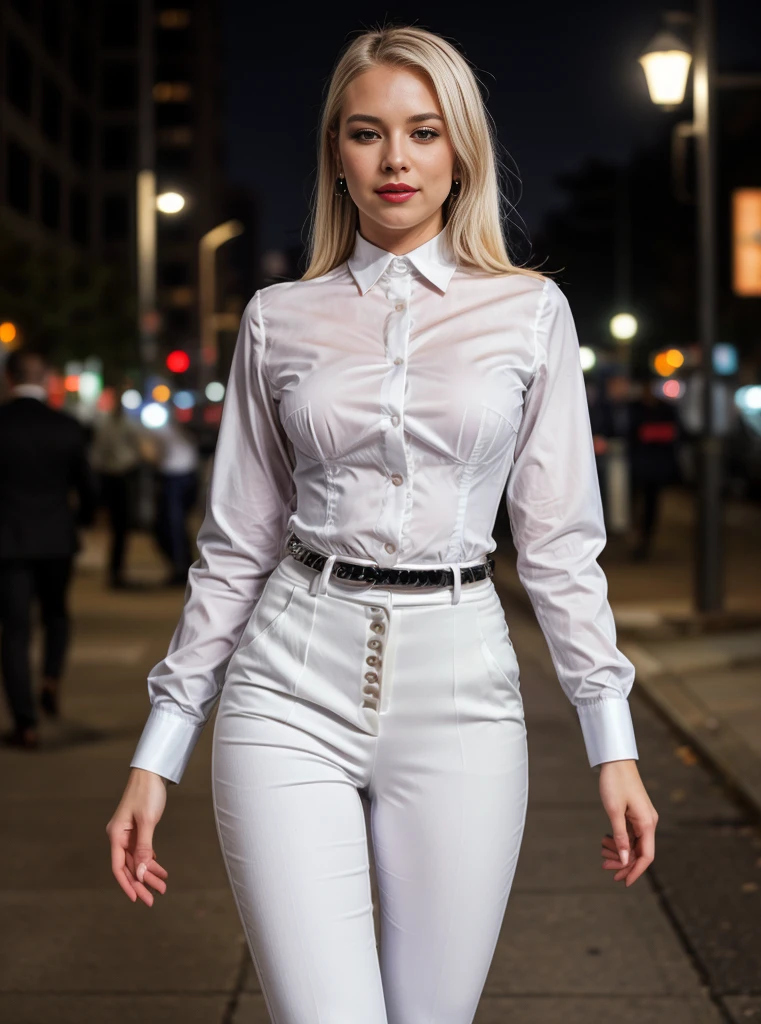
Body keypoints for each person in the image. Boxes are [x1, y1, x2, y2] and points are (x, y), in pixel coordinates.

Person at [107, 24, 659, 1024]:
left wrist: (609, 736)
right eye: (367, 133)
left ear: (462, 154)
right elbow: (235, 542)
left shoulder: (530, 313)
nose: (396, 159)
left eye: (423, 132)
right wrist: (160, 747)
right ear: (337, 155)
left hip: (462, 687)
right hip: (288, 682)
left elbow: (561, 544)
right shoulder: (278, 316)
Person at [0, 348, 97, 747]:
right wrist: (82, 521)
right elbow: (89, 489)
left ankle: (26, 722)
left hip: (7, 542)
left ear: (9, 378)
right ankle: (51, 679)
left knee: (15, 630)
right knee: (57, 615)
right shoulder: (67, 426)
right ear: (44, 379)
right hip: (57, 539)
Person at [91, 393, 144, 589]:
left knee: (120, 528)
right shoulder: (116, 425)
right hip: (117, 477)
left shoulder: (114, 425)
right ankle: (116, 571)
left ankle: (116, 570)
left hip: (116, 476)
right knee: (120, 528)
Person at [627, 376, 681, 561]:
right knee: (633, 503)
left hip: (654, 467)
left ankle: (644, 540)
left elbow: (672, 432)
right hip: (637, 465)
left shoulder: (665, 409)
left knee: (651, 504)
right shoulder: (634, 408)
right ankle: (636, 537)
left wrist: (649, 433)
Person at [147, 419, 200, 586]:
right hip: (178, 477)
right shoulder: (168, 431)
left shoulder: (180, 434)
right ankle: (181, 566)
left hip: (176, 478)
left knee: (173, 525)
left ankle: (181, 568)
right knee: (172, 525)